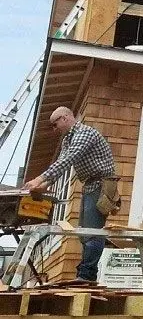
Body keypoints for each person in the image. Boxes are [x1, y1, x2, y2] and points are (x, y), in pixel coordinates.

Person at [23, 107, 116, 282]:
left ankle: (87, 275)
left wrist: (39, 178)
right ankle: (85, 273)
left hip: (102, 184)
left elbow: (69, 160)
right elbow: (61, 163)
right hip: (90, 184)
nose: (54, 129)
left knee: (92, 232)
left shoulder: (85, 133)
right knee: (84, 232)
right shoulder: (68, 140)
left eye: (55, 124)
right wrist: (44, 185)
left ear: (65, 118)